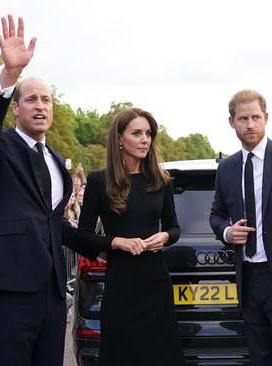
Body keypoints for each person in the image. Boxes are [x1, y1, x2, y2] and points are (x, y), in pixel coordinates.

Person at [0, 15, 107, 365]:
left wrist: (108, 246)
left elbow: (55, 224)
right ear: (15, 108)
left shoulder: (57, 160)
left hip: (53, 290)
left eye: (46, 100)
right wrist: (9, 75)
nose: (40, 106)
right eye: (31, 100)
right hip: (11, 288)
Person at [76, 107, 185, 366]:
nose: (145, 139)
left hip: (156, 282)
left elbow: (174, 228)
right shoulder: (99, 181)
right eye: (137, 133)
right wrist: (116, 242)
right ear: (119, 139)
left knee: (161, 355)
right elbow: (82, 236)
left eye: (148, 133)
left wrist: (165, 237)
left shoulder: (160, 180)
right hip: (121, 285)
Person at [209, 89, 272, 366]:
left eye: (255, 117)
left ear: (266, 117)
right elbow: (216, 214)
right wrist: (227, 232)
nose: (250, 124)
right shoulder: (226, 168)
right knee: (259, 355)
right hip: (248, 276)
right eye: (243, 119)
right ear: (232, 122)